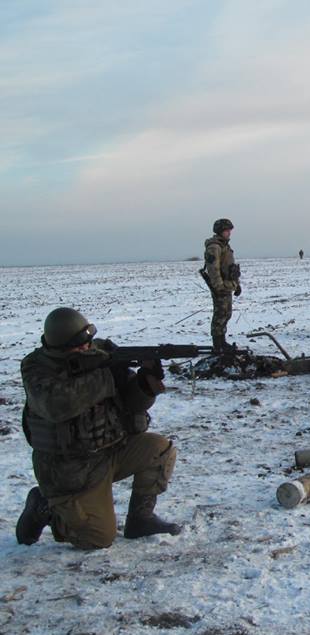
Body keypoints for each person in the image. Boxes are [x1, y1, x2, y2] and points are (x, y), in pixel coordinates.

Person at [16, 308, 180, 550]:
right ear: (59, 346)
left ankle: (140, 519)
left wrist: (145, 384)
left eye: (88, 341)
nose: (87, 348)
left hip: (108, 452)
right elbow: (57, 405)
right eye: (79, 345)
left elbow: (131, 403)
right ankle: (46, 508)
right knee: (98, 538)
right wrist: (106, 377)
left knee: (159, 449)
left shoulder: (100, 355)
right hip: (70, 472)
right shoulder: (37, 369)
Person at [201, 218, 241, 352]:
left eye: (230, 230)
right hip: (221, 286)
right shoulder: (215, 247)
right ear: (220, 231)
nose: (229, 233)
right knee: (220, 314)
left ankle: (222, 341)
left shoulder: (224, 246)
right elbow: (214, 269)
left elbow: (231, 268)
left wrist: (237, 285)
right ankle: (218, 343)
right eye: (227, 230)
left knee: (226, 313)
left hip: (228, 285)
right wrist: (218, 286)